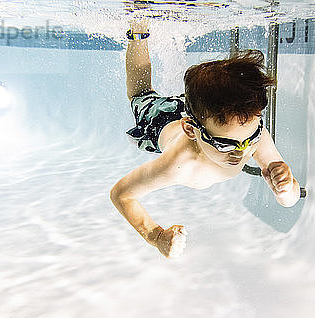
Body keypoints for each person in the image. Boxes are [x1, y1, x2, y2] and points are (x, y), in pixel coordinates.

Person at [110, 21, 301, 258]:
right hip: (160, 119)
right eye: (225, 144)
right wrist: (156, 236)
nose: (240, 153)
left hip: (206, 119)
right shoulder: (178, 164)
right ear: (190, 130)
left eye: (250, 138)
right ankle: (138, 31)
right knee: (141, 93)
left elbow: (289, 201)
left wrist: (286, 188)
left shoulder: (250, 133)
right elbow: (121, 194)